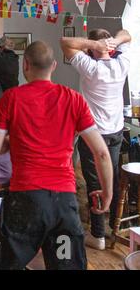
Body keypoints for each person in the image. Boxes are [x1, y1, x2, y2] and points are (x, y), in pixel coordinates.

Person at [0, 41, 113, 270]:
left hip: (25, 202)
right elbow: (102, 153)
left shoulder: (11, 98)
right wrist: (108, 192)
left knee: (7, 264)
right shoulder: (74, 99)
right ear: (54, 66)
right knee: (65, 264)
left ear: (25, 65)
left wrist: (13, 140)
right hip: (62, 206)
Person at [61, 29, 132, 250]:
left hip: (95, 134)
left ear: (91, 49)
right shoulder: (122, 64)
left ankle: (98, 235)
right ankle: (114, 227)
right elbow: (126, 34)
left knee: (95, 182)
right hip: (116, 131)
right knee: (112, 175)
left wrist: (95, 44)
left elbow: (65, 42)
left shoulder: (91, 68)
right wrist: (113, 41)